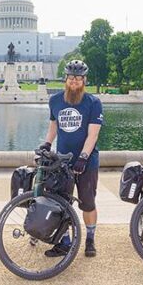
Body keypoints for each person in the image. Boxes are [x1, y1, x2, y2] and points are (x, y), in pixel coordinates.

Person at [40, 59, 103, 258]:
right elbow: (54, 127)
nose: (74, 81)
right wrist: (47, 144)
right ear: (65, 79)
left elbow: (93, 134)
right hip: (62, 161)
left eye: (78, 78)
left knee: (88, 202)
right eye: (71, 77)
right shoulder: (56, 100)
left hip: (86, 161)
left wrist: (83, 157)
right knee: (60, 202)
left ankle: (90, 238)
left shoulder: (93, 102)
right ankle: (64, 242)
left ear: (84, 80)